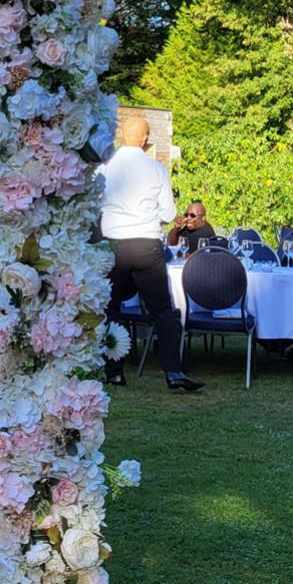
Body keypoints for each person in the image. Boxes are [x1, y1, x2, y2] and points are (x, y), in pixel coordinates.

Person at [98, 116, 204, 391]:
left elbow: (93, 204)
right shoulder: (156, 168)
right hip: (146, 245)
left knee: (111, 308)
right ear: (145, 139)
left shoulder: (105, 167)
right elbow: (169, 213)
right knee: (163, 311)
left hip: (114, 245)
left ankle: (114, 371)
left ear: (121, 135)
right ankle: (173, 372)